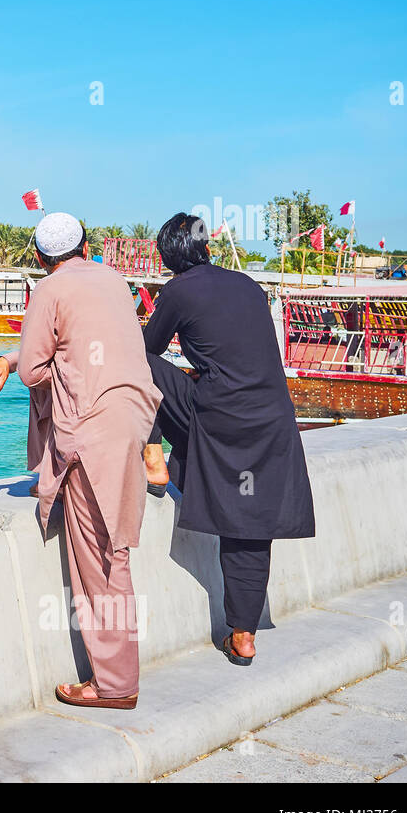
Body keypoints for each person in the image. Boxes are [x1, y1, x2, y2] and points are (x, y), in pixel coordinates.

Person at [0, 212, 161, 710]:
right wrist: (9, 357)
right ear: (86, 246)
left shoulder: (49, 291)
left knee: (102, 558)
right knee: (116, 547)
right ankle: (117, 677)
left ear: (40, 257)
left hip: (91, 429)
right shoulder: (115, 280)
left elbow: (36, 369)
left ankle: (115, 685)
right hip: (131, 420)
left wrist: (11, 361)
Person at [142, 214, 315, 666]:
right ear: (205, 249)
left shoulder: (178, 290)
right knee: (251, 526)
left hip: (222, 419)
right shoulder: (247, 284)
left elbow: (148, 349)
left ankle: (154, 456)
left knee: (135, 364)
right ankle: (244, 635)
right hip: (274, 418)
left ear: (169, 255)